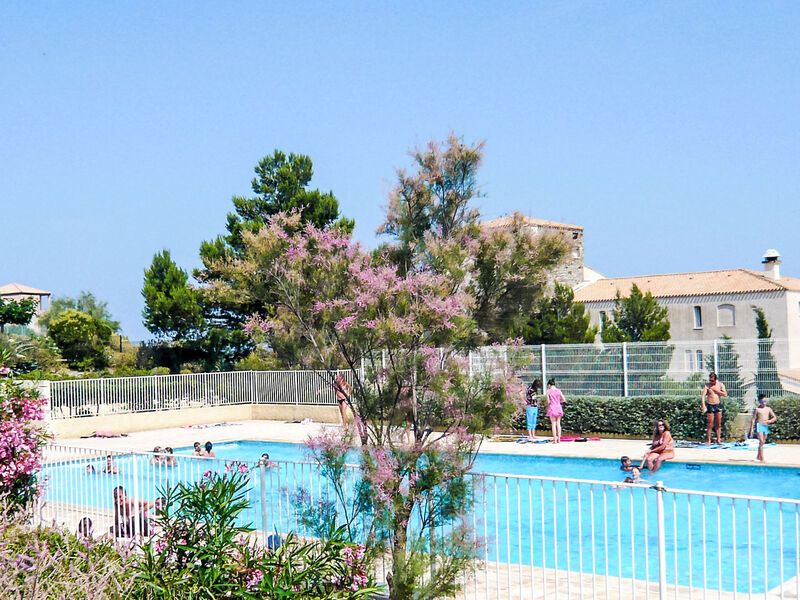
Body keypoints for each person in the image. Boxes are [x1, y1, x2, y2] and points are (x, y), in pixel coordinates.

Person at [701, 372, 728, 445]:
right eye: (710, 380)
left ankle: (718, 440)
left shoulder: (720, 385)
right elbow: (703, 396)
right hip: (710, 405)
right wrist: (703, 405)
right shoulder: (707, 386)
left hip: (717, 405)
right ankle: (709, 440)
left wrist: (717, 391)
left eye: (713, 381)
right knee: (710, 424)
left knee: (718, 423)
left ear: (716, 379)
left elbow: (725, 394)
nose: (711, 382)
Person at [749, 394, 777, 463]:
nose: (764, 403)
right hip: (759, 425)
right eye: (762, 402)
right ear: (759, 402)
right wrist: (751, 429)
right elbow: (753, 419)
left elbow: (774, 417)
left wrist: (770, 421)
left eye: (765, 401)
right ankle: (762, 458)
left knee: (763, 442)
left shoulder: (768, 409)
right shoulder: (757, 409)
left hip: (765, 426)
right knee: (761, 441)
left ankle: (758, 456)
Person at [546, 378, 564, 443]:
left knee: (553, 424)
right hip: (558, 407)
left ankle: (555, 439)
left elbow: (548, 402)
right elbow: (564, 399)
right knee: (558, 424)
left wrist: (551, 402)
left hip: (552, 408)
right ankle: (559, 439)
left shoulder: (548, 391)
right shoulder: (559, 390)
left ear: (549, 385)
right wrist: (559, 402)